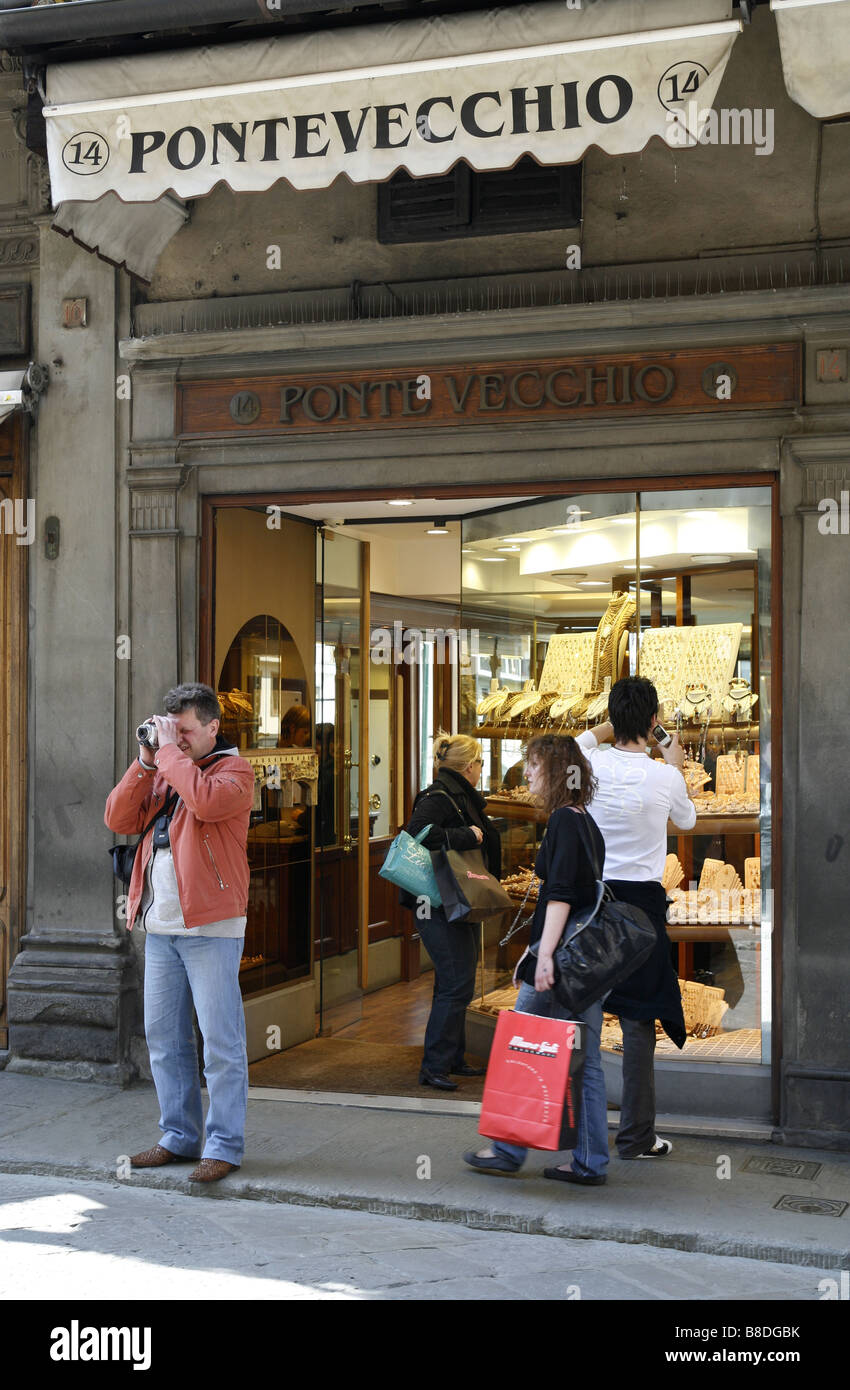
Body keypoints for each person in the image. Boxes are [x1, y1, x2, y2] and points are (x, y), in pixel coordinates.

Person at [105, 683, 254, 1183]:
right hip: (161, 925)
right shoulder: (168, 770)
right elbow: (118, 817)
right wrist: (146, 761)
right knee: (165, 1040)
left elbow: (207, 804)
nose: (178, 738)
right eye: (172, 728)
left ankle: (224, 1145)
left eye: (186, 730)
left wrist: (168, 755)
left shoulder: (235, 772)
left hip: (213, 927)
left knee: (220, 1042)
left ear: (213, 727)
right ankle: (179, 1136)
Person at [463, 734, 610, 1184]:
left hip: (563, 956)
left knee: (520, 1044)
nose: (526, 772)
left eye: (533, 764)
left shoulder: (565, 822)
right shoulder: (584, 819)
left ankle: (507, 1148)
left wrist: (543, 954)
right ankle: (590, 1160)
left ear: (557, 770)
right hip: (586, 956)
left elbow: (561, 894)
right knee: (586, 1059)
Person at [575, 676, 696, 1161]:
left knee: (582, 1011)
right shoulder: (664, 776)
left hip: (594, 902)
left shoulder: (591, 765)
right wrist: (673, 760)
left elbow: (571, 745)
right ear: (653, 721)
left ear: (613, 717)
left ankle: (577, 1134)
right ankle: (636, 1138)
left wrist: (608, 727)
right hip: (642, 908)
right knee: (639, 1020)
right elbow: (687, 823)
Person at [402, 732, 501, 1091]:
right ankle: (434, 1065)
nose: (480, 771)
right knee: (456, 980)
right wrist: (468, 836)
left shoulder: (456, 794)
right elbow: (416, 833)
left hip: (458, 900)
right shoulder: (439, 796)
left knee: (456, 980)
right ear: (470, 766)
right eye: (480, 764)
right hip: (436, 901)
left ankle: (452, 1057)